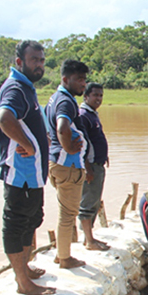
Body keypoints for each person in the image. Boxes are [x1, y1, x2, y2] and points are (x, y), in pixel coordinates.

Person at [0, 40, 55, 295]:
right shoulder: (16, 87)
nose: (40, 65)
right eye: (34, 61)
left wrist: (42, 139)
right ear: (20, 62)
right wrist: (28, 143)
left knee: (33, 219)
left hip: (33, 176)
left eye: (42, 60)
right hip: (20, 175)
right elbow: (4, 117)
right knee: (17, 223)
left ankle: (25, 268)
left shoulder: (26, 88)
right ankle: (22, 282)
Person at [45, 59, 89, 269]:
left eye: (84, 80)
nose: (83, 84)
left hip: (56, 163)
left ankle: (60, 253)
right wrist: (69, 148)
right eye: (79, 80)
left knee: (65, 210)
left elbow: (48, 131)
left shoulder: (53, 99)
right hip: (68, 165)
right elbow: (62, 127)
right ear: (65, 79)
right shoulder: (65, 101)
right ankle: (64, 258)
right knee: (68, 214)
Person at [77, 82, 110, 252]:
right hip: (91, 167)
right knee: (88, 202)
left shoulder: (92, 114)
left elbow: (96, 139)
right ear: (86, 96)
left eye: (101, 95)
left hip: (98, 164)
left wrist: (104, 156)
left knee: (95, 202)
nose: (98, 98)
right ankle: (89, 240)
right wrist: (87, 167)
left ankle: (88, 238)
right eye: (95, 95)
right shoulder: (83, 115)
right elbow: (82, 144)